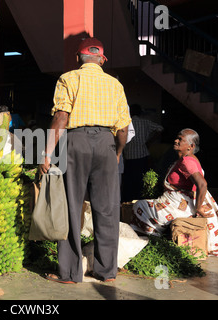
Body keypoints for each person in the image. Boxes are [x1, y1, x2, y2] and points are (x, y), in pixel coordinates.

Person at [38, 37, 131, 283]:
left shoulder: (69, 78)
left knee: (71, 206)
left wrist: (46, 153)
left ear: (78, 58)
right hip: (106, 143)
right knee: (108, 209)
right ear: (102, 60)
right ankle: (106, 271)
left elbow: (61, 117)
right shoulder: (115, 85)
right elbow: (123, 129)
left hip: (76, 143)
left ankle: (69, 274)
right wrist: (117, 152)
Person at [130, 128, 218, 254]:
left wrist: (198, 208)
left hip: (181, 204)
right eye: (177, 138)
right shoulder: (189, 159)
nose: (176, 141)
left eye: (180, 139)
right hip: (180, 201)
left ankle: (151, 241)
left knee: (141, 207)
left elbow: (202, 184)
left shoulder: (187, 161)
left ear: (190, 146)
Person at [122, 104, 163, 202]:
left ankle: (128, 203)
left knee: (129, 183)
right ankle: (140, 202)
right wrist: (150, 141)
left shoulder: (126, 123)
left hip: (129, 157)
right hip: (143, 155)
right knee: (141, 182)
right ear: (140, 113)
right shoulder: (145, 122)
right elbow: (160, 128)